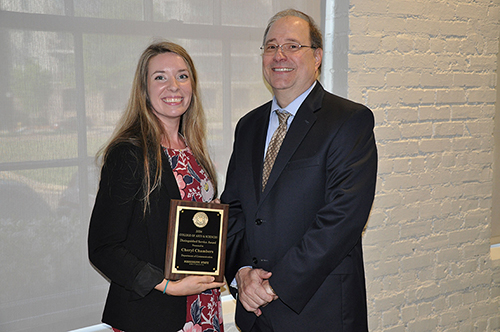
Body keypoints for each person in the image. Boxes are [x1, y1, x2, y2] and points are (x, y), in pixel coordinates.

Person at [221, 9, 377, 332]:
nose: (280, 55)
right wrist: (241, 274)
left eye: (293, 46)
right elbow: (233, 208)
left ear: (317, 56)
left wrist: (273, 286)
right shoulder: (247, 127)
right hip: (255, 316)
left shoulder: (349, 121)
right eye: (271, 46)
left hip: (319, 314)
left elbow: (341, 221)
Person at [88, 41, 225, 332]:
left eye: (182, 76)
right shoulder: (129, 153)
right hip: (154, 313)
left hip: (202, 307)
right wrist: (168, 286)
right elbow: (104, 247)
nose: (173, 86)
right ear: (144, 89)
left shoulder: (194, 151)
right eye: (160, 77)